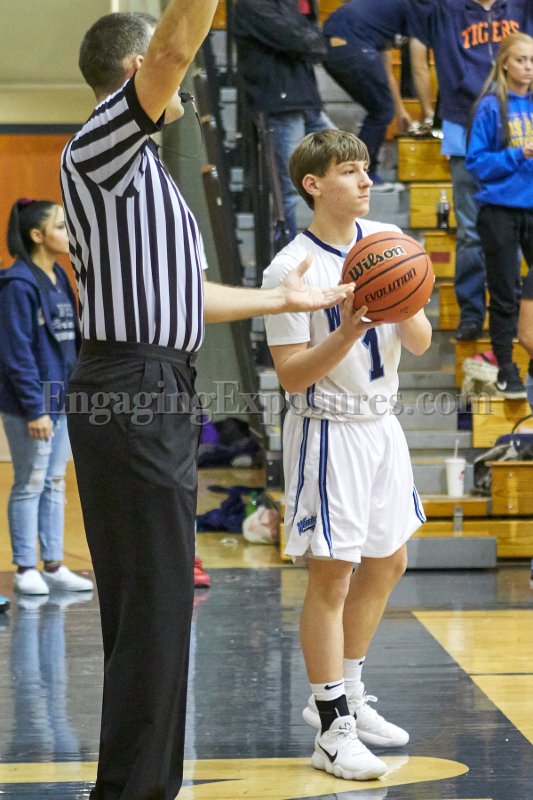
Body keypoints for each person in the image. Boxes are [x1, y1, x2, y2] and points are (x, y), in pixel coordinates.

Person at [60, 6, 351, 799]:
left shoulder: (144, 171)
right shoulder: (104, 145)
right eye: (171, 69)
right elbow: (173, 47)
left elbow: (184, 295)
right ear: (135, 71)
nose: (182, 81)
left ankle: (135, 787)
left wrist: (282, 298)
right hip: (131, 382)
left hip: (152, 380)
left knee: (154, 607)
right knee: (155, 609)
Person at [262, 129, 432, 782]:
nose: (365, 181)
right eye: (349, 171)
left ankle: (349, 696)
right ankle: (331, 730)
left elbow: (419, 343)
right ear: (313, 185)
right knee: (332, 577)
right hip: (327, 430)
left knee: (389, 561)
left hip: (381, 426)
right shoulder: (291, 268)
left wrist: (399, 296)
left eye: (366, 169)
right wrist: (350, 326)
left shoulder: (388, 241)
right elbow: (291, 377)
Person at [408, 0, 533, 341]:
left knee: (517, 233)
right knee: (470, 232)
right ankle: (472, 315)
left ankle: (517, 317)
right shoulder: (446, 9)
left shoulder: (519, 6)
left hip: (515, 123)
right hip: (463, 122)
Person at [0, 199, 93, 598]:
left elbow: (72, 344)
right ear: (37, 235)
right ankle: (25, 567)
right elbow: (15, 354)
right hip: (32, 407)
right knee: (30, 483)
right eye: (61, 226)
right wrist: (34, 409)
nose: (68, 234)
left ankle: (53, 565)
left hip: (61, 401)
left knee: (55, 482)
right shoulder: (18, 285)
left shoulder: (59, 277)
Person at [466, 32, 533, 398]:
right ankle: (506, 368)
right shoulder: (491, 106)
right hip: (500, 209)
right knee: (505, 292)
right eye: (521, 60)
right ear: (505, 63)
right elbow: (476, 163)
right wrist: (517, 154)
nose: (528, 67)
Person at [233, 0, 334, 240]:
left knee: (343, 162)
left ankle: (334, 243)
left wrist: (309, 39)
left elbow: (317, 43)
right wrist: (308, 39)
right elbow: (301, 39)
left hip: (306, 101)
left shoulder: (286, 5)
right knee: (288, 190)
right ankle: (288, 252)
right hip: (278, 105)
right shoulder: (253, 5)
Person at [322, 0, 433, 186]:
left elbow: (386, 70)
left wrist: (400, 110)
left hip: (334, 43)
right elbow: (419, 68)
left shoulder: (386, 16)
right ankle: (361, 172)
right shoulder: (420, 9)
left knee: (381, 109)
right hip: (350, 41)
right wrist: (429, 114)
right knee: (381, 111)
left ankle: (357, 170)